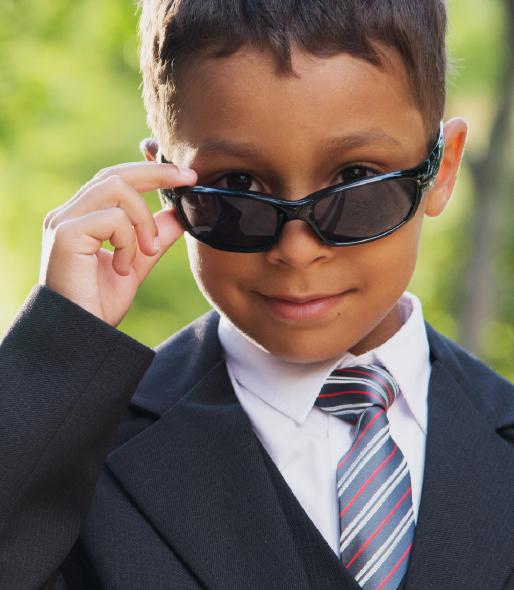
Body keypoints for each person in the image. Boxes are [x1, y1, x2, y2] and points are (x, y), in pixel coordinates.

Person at [1, 1, 513, 589]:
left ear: (441, 169)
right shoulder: (72, 461)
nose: (296, 251)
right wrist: (55, 350)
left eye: (354, 180)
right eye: (236, 187)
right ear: (166, 186)